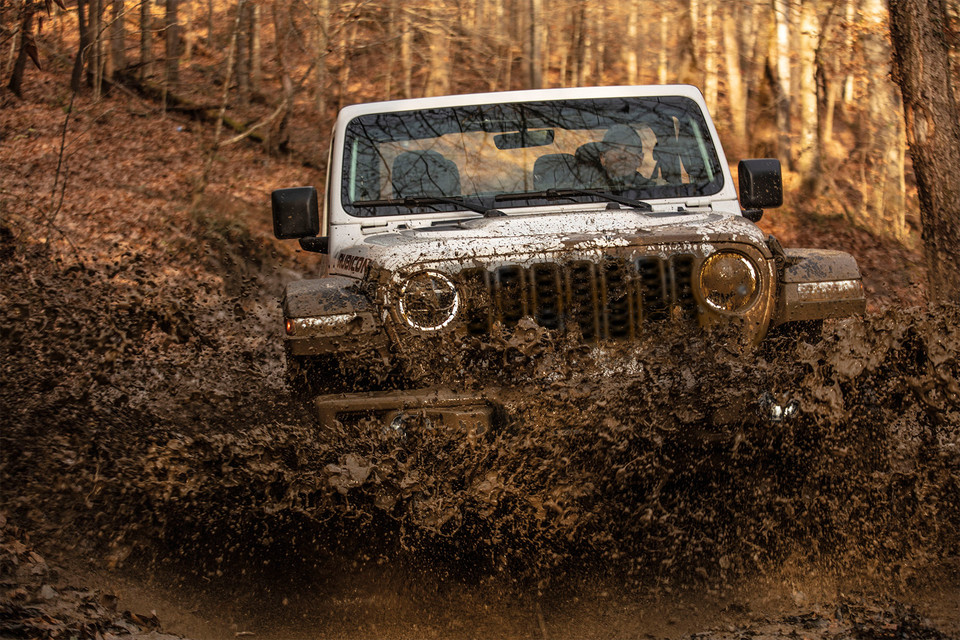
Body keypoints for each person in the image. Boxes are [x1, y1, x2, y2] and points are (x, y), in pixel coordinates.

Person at [598, 124, 654, 191]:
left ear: (640, 158)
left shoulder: (656, 191)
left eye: (629, 149)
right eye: (615, 148)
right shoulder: (587, 194)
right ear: (603, 159)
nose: (622, 156)